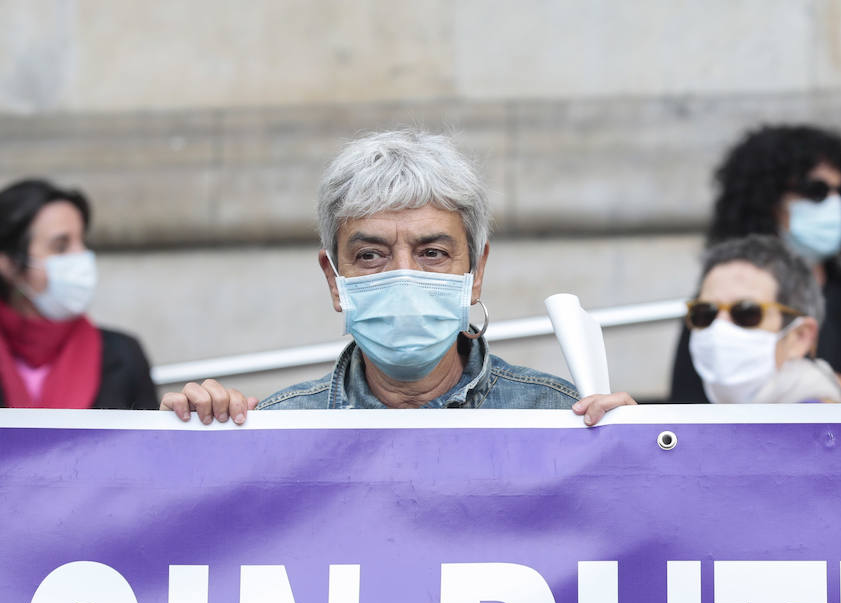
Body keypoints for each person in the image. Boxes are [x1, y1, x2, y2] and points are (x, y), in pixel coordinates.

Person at [162, 130, 632, 425]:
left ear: (475, 272)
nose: (404, 277)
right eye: (370, 255)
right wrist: (188, 446)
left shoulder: (556, 419)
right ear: (334, 279)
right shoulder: (280, 428)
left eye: (432, 252)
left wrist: (645, 461)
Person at [667, 124, 841, 404]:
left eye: (840, 192)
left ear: (803, 335)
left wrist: (836, 397)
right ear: (767, 199)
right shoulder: (715, 300)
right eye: (816, 190)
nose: (833, 204)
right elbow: (686, 405)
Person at [0, 179, 157, 409]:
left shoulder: (124, 355)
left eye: (81, 241)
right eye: (60, 246)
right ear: (10, 264)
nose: (81, 256)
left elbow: (150, 444)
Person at [687, 234, 841, 404]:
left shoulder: (820, 425)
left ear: (799, 337)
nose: (720, 327)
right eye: (705, 313)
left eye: (746, 313)